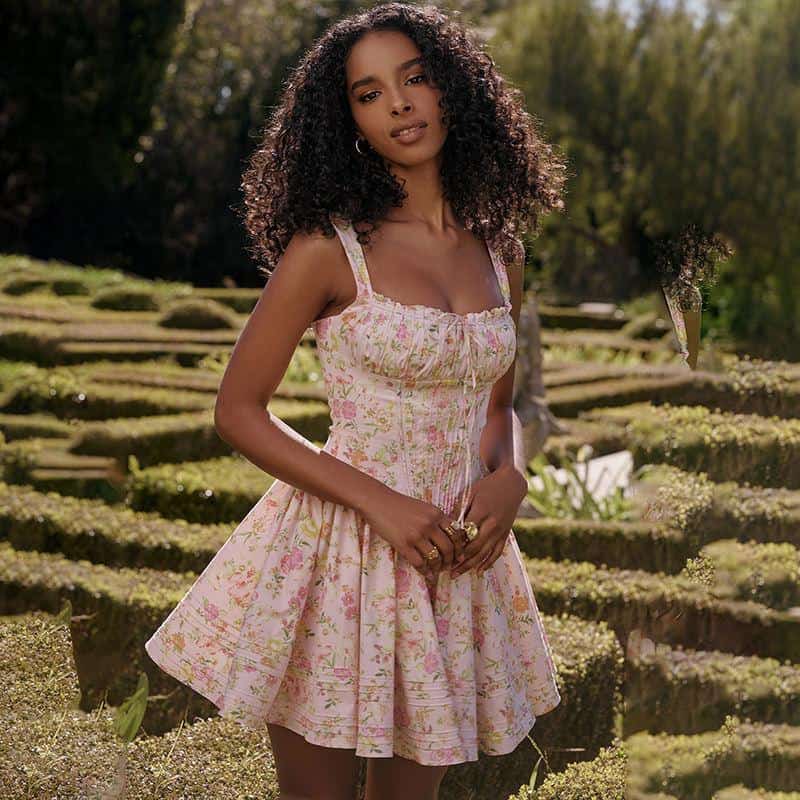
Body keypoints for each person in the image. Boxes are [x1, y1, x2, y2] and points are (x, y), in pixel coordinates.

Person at [145, 4, 567, 799]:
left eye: (415, 78)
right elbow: (238, 410)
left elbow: (495, 407)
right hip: (339, 556)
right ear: (350, 122)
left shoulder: (500, 249)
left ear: (453, 88)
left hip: (454, 561)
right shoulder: (327, 249)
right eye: (369, 94)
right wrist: (382, 504)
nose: (399, 104)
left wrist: (510, 474)